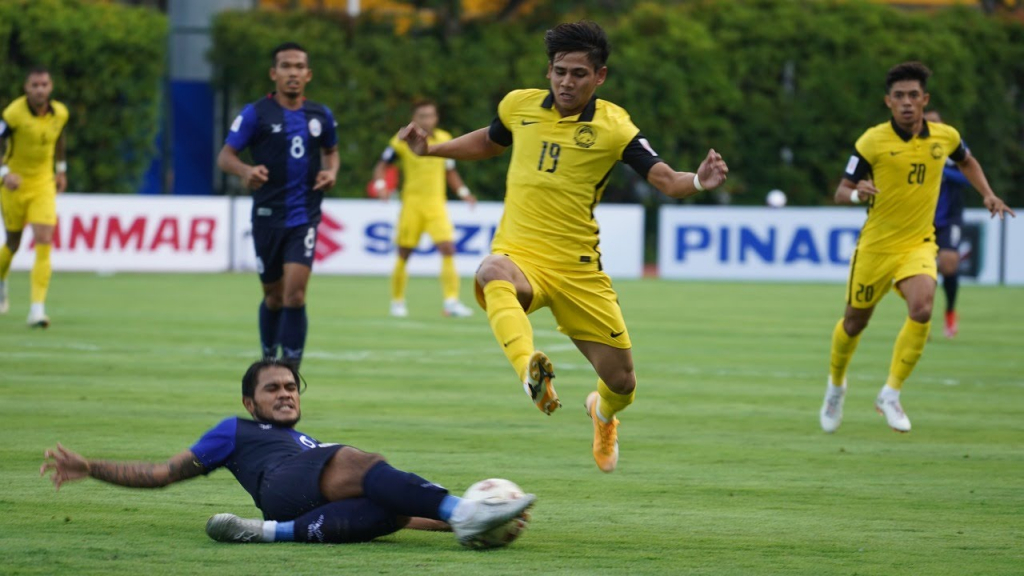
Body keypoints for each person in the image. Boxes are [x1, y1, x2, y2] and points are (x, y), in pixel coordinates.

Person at [399, 21, 729, 473]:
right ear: (548, 71)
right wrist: (431, 152)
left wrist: (698, 181)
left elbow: (666, 180)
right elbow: (491, 141)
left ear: (600, 77)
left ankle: (603, 413)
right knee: (492, 270)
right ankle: (529, 371)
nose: (566, 82)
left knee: (622, 381)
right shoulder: (520, 106)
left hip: (578, 271)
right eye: (559, 71)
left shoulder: (615, 127)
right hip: (521, 256)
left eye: (577, 73)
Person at [40, 358, 535, 546]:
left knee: (388, 513)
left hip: (294, 506)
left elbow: (406, 515)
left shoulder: (307, 443)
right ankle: (463, 509)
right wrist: (91, 466)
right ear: (249, 401)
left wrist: (450, 523)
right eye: (272, 387)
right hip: (282, 484)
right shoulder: (233, 431)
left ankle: (266, 534)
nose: (285, 393)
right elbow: (161, 473)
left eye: (292, 387)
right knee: (363, 461)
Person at [820, 62, 1014, 434]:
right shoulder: (872, 141)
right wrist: (857, 191)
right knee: (854, 322)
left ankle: (890, 393)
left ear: (924, 99)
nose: (907, 102)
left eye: (913, 95)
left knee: (923, 308)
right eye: (899, 96)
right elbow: (840, 190)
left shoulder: (945, 136)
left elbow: (967, 160)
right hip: (876, 247)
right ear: (888, 102)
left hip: (918, 243)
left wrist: (987, 194)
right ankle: (836, 385)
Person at [217, 42, 340, 368]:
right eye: (286, 66)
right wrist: (246, 170)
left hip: (304, 217)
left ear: (308, 74)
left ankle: (291, 370)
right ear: (274, 73)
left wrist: (332, 172)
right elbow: (225, 156)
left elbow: (331, 151)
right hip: (267, 217)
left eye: (299, 66)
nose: (293, 73)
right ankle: (269, 359)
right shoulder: (255, 114)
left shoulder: (321, 115)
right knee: (273, 296)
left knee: (295, 294)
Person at [372, 100, 477, 318]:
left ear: (436, 118)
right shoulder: (401, 141)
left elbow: (450, 170)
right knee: (404, 253)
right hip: (412, 204)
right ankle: (397, 302)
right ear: (414, 118)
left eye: (430, 115)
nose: (426, 120)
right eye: (422, 116)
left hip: (436, 204)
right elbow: (382, 165)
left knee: (448, 248)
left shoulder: (444, 139)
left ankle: (451, 302)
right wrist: (381, 186)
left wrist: (464, 192)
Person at [0, 66, 70, 327]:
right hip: (14, 184)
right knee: (13, 244)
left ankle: (37, 309)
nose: (40, 89)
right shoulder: (12, 114)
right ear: (26, 88)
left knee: (44, 239)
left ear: (51, 87)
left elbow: (60, 137)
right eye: (34, 85)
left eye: (44, 84)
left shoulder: (60, 113)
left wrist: (61, 170)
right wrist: (5, 172)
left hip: (43, 183)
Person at [923, 109, 970, 339]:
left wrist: (942, 168)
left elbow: (967, 176)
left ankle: (950, 311)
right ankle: (922, 319)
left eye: (935, 122)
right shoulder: (914, 147)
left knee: (949, 263)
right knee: (923, 270)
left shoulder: (953, 147)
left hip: (949, 218)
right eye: (927, 123)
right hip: (922, 218)